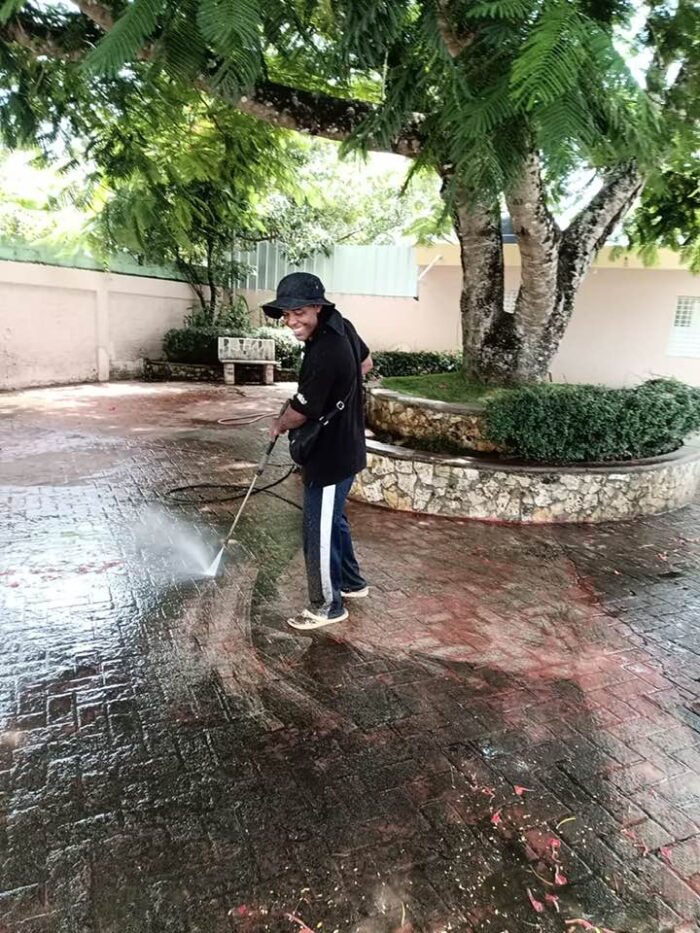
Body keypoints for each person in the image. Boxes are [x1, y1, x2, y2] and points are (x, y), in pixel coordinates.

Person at [263, 272, 373, 631]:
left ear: (317, 307)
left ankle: (327, 606)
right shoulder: (343, 326)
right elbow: (366, 363)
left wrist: (279, 423)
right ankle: (352, 583)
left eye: (299, 313)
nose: (291, 321)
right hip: (349, 445)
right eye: (286, 314)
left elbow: (300, 413)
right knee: (334, 520)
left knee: (318, 530)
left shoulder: (325, 351)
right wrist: (340, 388)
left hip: (329, 456)